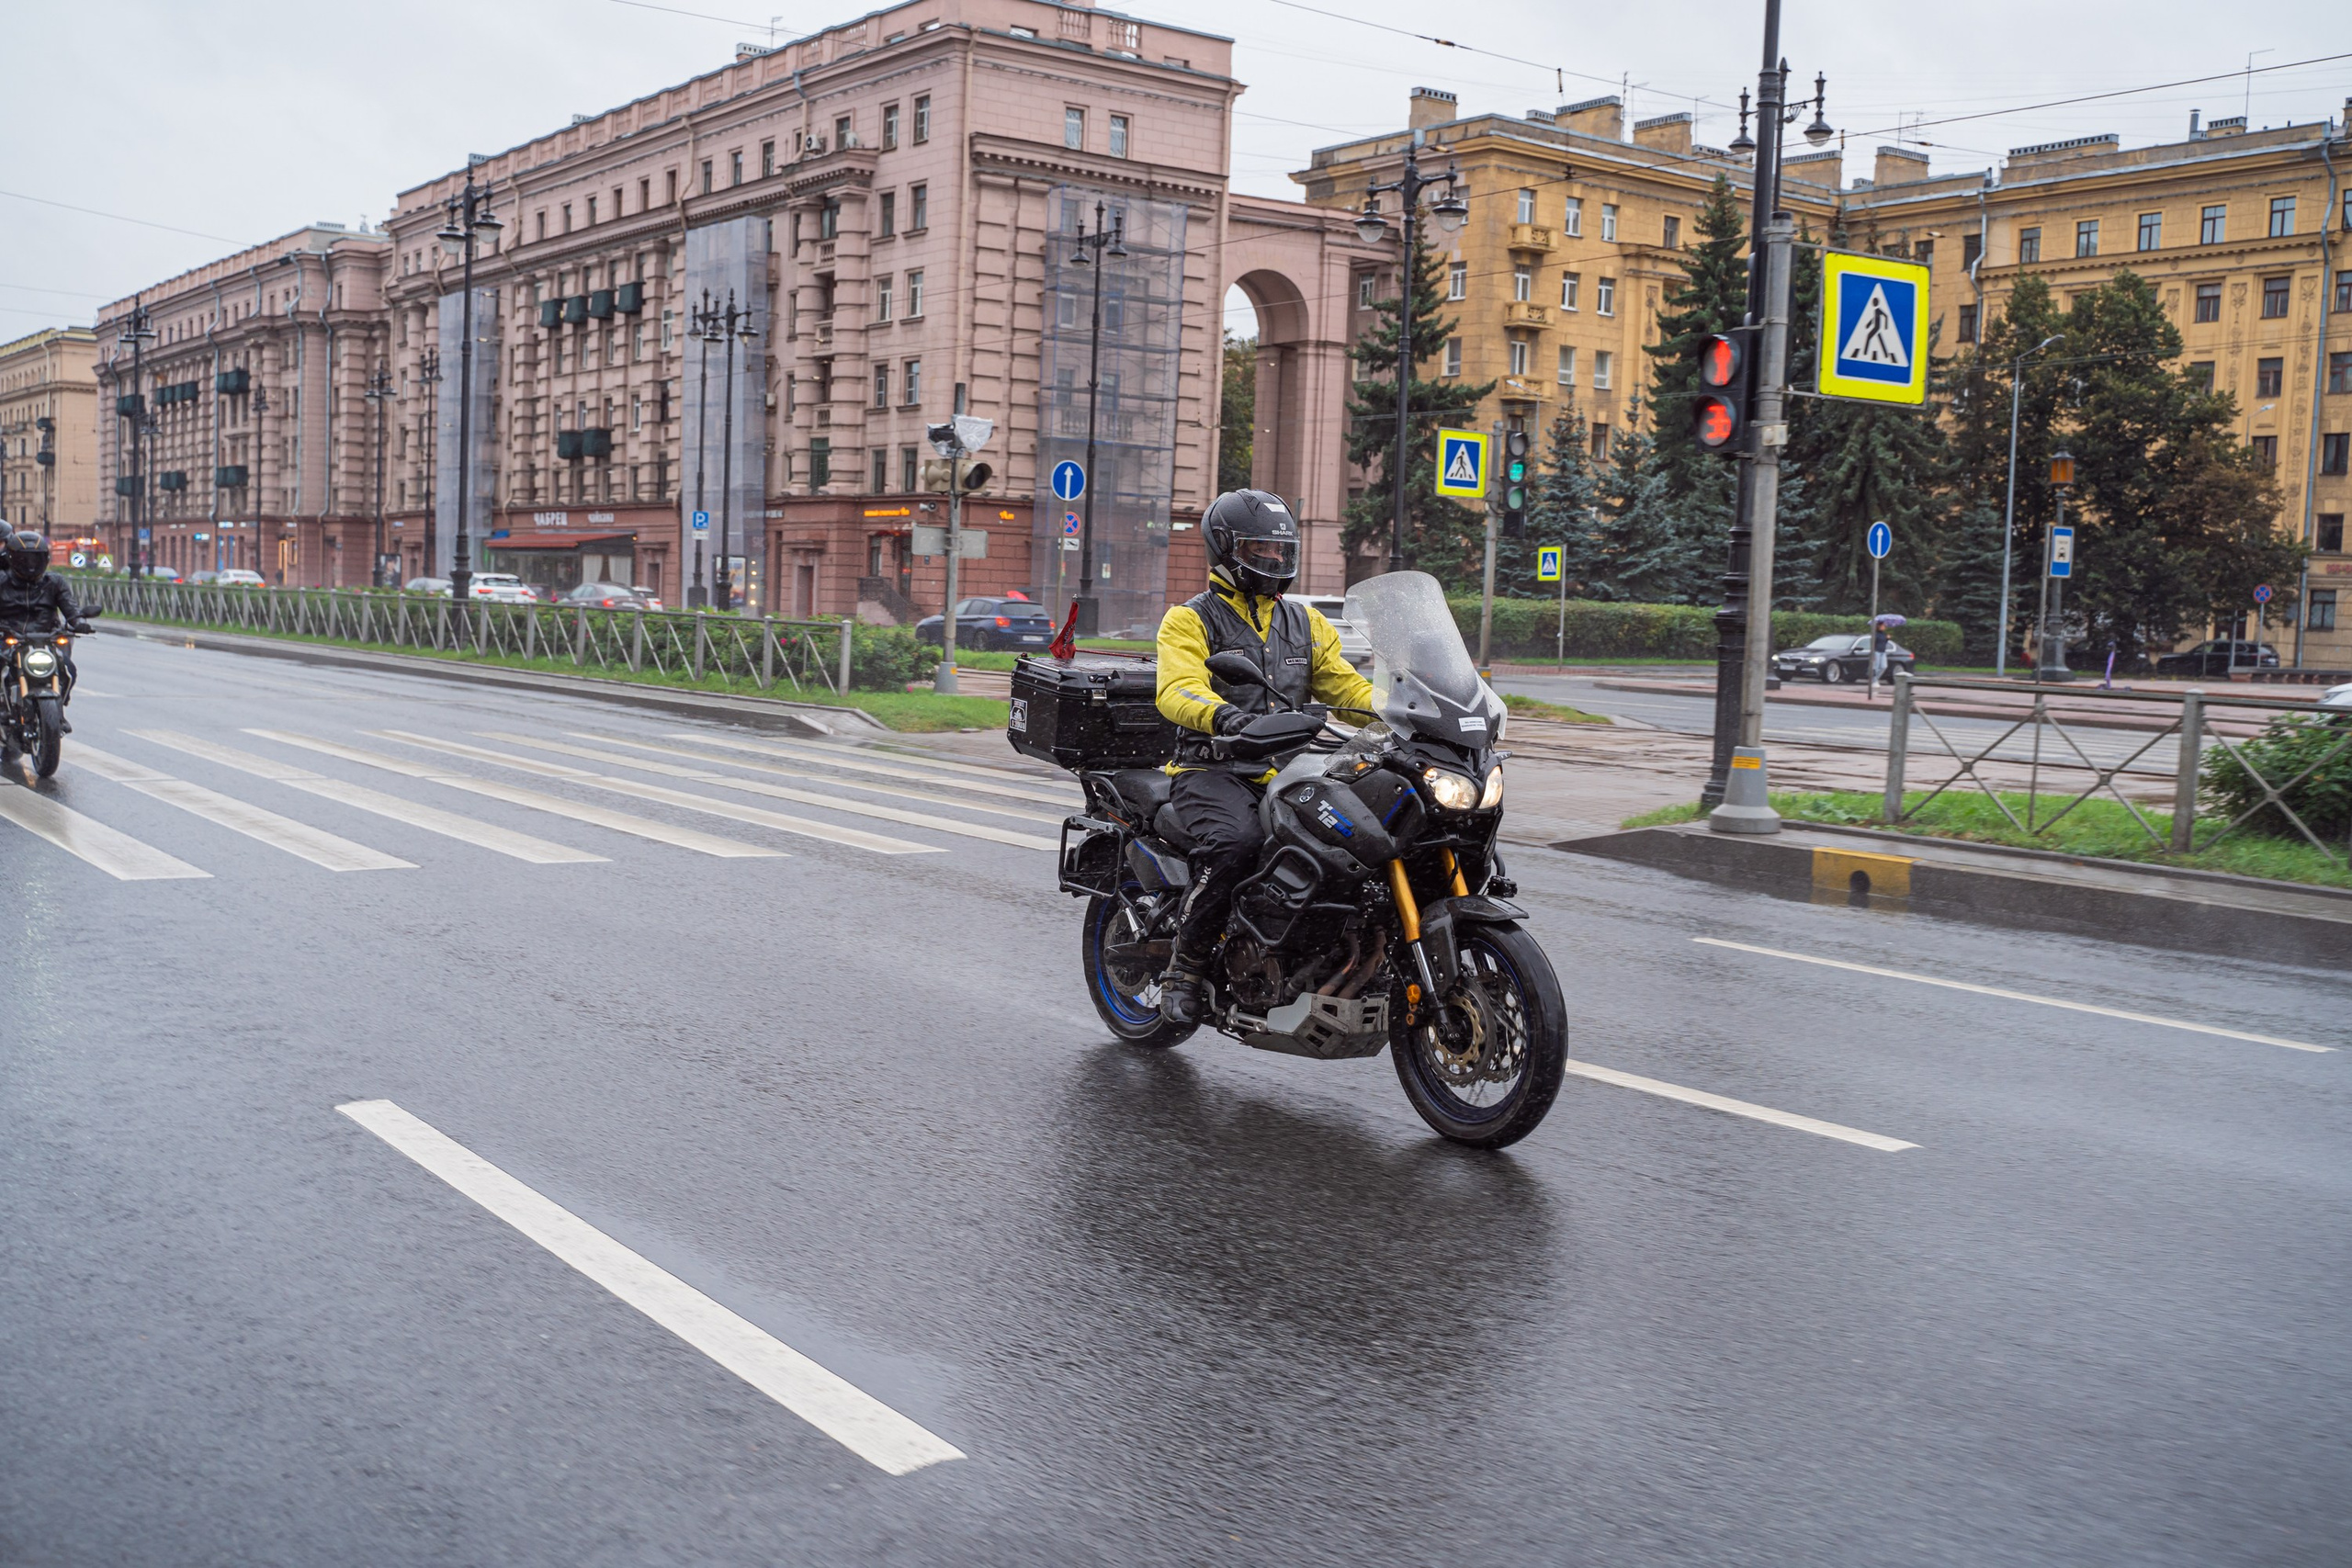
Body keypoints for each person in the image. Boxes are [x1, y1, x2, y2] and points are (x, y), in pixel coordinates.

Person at [1151, 489, 1375, 1026]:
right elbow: (1176, 689)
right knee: (1239, 845)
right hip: (1214, 768)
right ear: (1226, 551)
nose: (1275, 561)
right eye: (1260, 550)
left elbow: (1346, 689)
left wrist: (1411, 712)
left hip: (1294, 770)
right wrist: (1224, 716)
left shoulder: (1306, 623)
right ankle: (1186, 966)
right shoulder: (1189, 620)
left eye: (1281, 551)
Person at [0, 530, 91, 751]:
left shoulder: (54, 582)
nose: (30, 564)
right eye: (24, 559)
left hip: (44, 640)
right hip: (8, 637)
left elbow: (69, 606)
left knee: (68, 669)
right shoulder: (2, 582)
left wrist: (78, 621)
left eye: (36, 558)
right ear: (12, 558)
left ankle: (58, 710)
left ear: (45, 559)